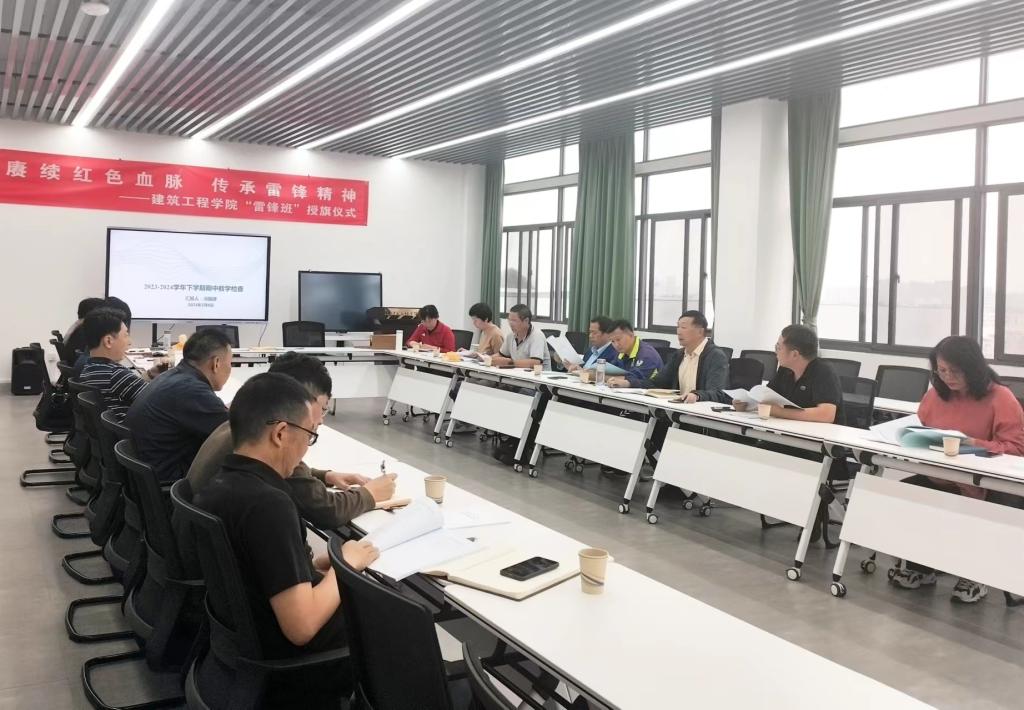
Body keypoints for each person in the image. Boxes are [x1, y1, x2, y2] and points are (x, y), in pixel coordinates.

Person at [193, 373, 379, 707]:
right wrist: (346, 565)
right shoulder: (269, 504)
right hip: (289, 665)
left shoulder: (220, 485)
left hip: (238, 647)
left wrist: (313, 565)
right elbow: (301, 626)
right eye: (309, 435)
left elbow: (254, 567)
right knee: (391, 620)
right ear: (280, 433)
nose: (307, 447)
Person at [188, 352, 397, 531]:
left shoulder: (245, 423)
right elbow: (325, 510)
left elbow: (290, 477)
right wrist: (369, 494)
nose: (321, 420)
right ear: (297, 399)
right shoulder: (271, 447)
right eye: (323, 408)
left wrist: (325, 476)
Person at [890, 336, 1024, 603]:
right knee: (905, 493)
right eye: (942, 370)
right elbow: (920, 429)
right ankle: (921, 566)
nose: (948, 377)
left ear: (973, 368)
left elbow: (1017, 449)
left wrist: (974, 443)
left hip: (984, 482)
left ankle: (974, 574)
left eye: (955, 371)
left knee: (973, 509)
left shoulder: (1000, 397)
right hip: (942, 475)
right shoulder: (935, 395)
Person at [126, 329, 232, 483]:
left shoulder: (172, 376)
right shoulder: (192, 390)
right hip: (167, 483)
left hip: (144, 476)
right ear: (216, 363)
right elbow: (236, 435)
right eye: (230, 363)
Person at [743, 324, 843, 424]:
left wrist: (780, 412)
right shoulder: (785, 369)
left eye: (778, 348)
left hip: (821, 432)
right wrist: (747, 405)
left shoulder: (823, 371)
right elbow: (766, 398)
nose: (776, 352)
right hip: (791, 427)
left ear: (794, 354)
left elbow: (826, 415)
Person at [78, 308, 152, 418]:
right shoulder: (115, 374)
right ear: (108, 341)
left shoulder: (89, 368)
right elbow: (159, 399)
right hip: (133, 427)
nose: (129, 342)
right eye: (126, 335)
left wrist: (149, 375)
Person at [647, 310, 729, 403]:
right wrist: (634, 383)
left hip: (701, 409)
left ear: (700, 331)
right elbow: (657, 382)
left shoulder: (715, 356)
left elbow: (717, 393)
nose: (679, 332)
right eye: (678, 327)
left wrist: (697, 396)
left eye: (683, 327)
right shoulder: (678, 355)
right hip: (677, 408)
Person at [605, 320, 663, 388]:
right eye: (612, 341)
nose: (616, 345)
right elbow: (611, 371)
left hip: (650, 393)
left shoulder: (647, 354)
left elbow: (633, 379)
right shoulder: (621, 353)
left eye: (618, 339)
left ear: (631, 335)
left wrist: (601, 376)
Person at [491, 304, 551, 370]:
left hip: (539, 375)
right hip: (517, 374)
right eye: (509, 320)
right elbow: (501, 354)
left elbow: (535, 362)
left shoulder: (537, 335)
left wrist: (510, 363)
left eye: (514, 320)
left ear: (526, 321)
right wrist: (488, 359)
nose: (510, 323)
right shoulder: (510, 336)